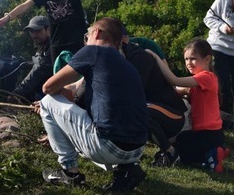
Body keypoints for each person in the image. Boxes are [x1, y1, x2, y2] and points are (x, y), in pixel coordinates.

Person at [38, 17, 147, 191]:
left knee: (47, 102)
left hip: (108, 147)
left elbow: (48, 87)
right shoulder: (127, 66)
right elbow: (76, 91)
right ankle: (126, 170)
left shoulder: (93, 51)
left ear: (96, 33)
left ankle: (70, 173)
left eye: (87, 34)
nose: (86, 39)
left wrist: (56, 111)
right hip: (137, 149)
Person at [147, 38, 229, 172]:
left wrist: (157, 58)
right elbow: (175, 91)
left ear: (207, 59)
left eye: (193, 59)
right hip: (209, 134)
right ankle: (215, 152)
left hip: (207, 134)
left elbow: (174, 80)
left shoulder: (206, 77)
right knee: (179, 147)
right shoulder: (198, 82)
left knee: (179, 154)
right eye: (186, 59)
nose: (188, 63)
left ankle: (212, 155)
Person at [120, 26, 187, 168]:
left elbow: (134, 93)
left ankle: (171, 152)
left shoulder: (139, 57)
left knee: (137, 109)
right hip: (155, 110)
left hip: (173, 115)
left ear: (124, 39)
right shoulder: (118, 58)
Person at [10, 15, 52, 103]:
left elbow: (38, 72)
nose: (34, 35)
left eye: (38, 31)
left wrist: (17, 94)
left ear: (48, 29)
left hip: (50, 94)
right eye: (31, 31)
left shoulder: (52, 49)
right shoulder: (42, 47)